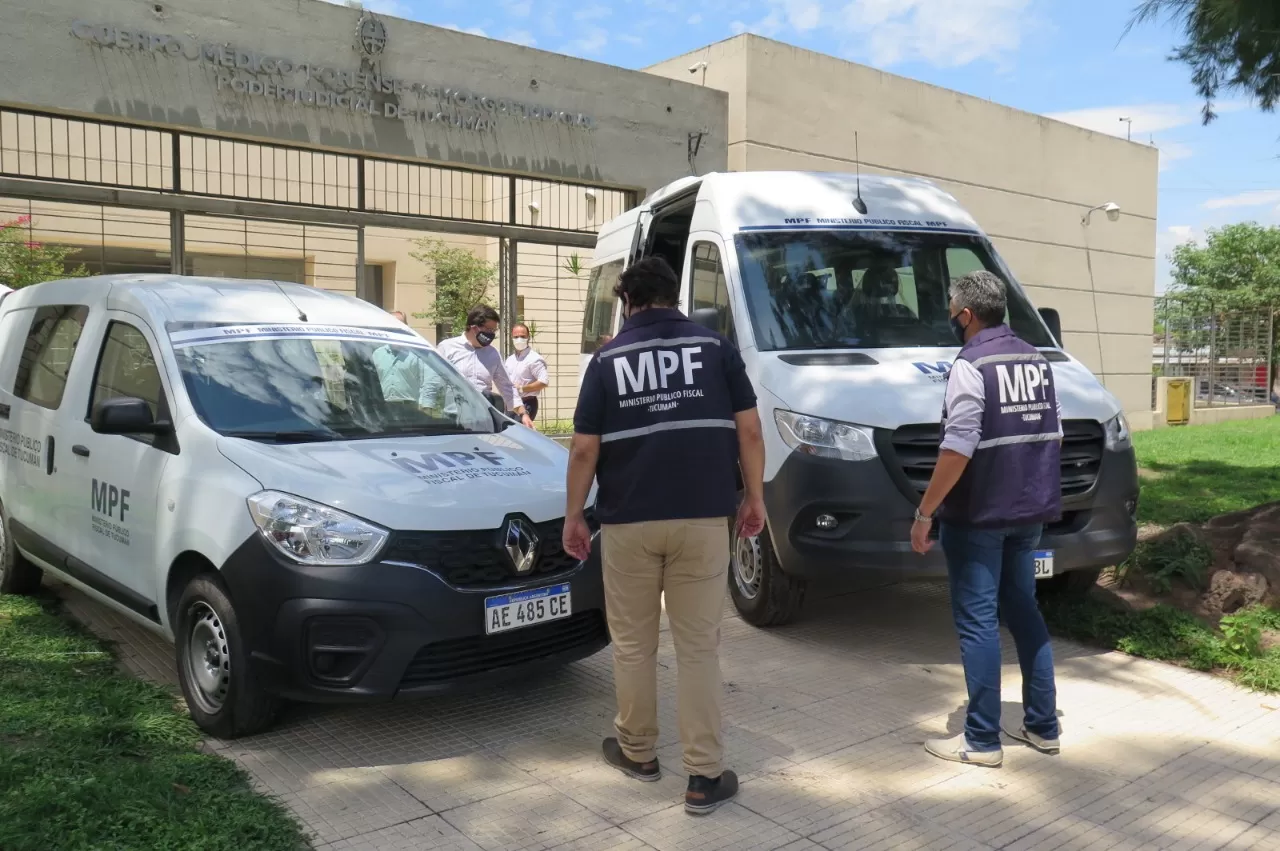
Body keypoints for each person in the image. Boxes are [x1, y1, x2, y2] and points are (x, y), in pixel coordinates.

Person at [563, 257, 766, 816]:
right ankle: (703, 776)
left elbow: (584, 448)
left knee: (633, 644)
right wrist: (755, 498)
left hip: (629, 522)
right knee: (699, 646)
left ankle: (638, 753)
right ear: (673, 296)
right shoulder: (717, 349)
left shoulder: (607, 360)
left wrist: (574, 515)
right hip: (703, 519)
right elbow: (749, 428)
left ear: (627, 301)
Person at [910, 270, 1063, 768]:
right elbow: (1052, 432)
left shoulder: (970, 363)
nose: (953, 321)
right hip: (1029, 511)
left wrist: (924, 512)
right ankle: (1043, 727)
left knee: (977, 623)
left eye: (953, 313)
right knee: (1023, 611)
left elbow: (957, 446)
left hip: (979, 515)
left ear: (967, 315)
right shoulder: (1037, 359)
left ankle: (980, 741)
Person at [436, 305, 533, 428]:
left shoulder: (492, 354)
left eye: (494, 331)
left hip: (484, 420)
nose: (492, 334)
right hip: (453, 420)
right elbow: (432, 382)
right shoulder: (447, 347)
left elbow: (507, 386)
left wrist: (523, 414)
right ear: (474, 327)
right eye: (489, 330)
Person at [505, 323, 549, 422]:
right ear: (512, 338)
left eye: (522, 336)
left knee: (519, 434)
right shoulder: (510, 360)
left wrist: (522, 389)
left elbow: (543, 382)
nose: (519, 339)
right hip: (511, 404)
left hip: (526, 403)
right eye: (516, 337)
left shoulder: (534, 359)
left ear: (528, 337)